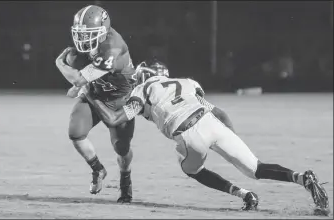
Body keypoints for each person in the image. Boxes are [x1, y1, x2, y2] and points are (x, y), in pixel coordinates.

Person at [78, 59, 330, 214]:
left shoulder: (142, 90)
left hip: (189, 134)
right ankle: (301, 178)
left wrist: (89, 94)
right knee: (255, 167)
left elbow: (114, 120)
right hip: (212, 123)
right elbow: (219, 112)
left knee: (189, 169)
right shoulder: (186, 82)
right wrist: (231, 142)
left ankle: (243, 194)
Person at [55, 5, 135, 203]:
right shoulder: (92, 48)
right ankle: (98, 169)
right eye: (80, 34)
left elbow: (78, 80)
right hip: (95, 92)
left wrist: (60, 64)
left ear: (103, 31)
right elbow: (83, 80)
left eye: (89, 34)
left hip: (119, 100)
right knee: (75, 132)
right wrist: (80, 83)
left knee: (121, 148)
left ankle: (125, 179)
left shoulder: (112, 47)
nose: (83, 40)